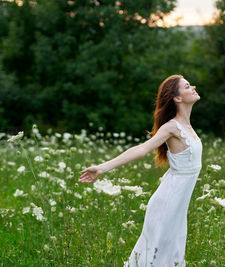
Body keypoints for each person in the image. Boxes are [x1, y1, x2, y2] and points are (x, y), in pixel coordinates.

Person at [78, 74, 202, 266]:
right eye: (187, 86)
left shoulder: (188, 126)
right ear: (177, 98)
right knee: (154, 256)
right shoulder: (171, 127)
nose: (193, 86)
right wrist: (102, 168)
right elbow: (142, 149)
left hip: (179, 205)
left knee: (173, 255)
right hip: (168, 203)